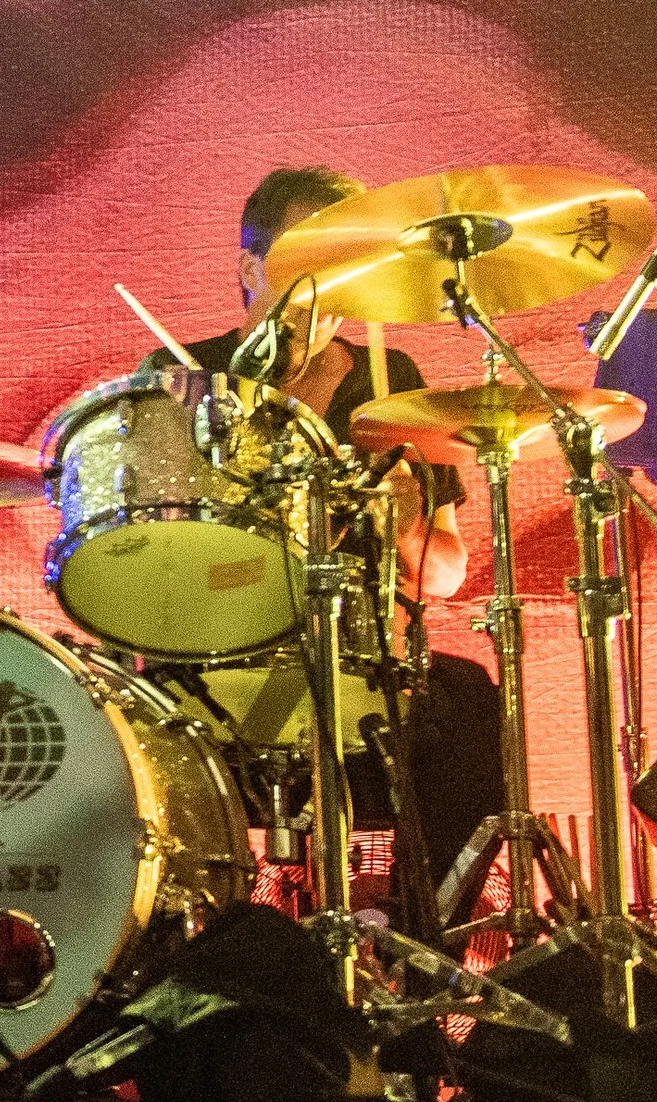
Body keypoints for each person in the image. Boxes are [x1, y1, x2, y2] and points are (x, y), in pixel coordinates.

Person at [157, 164, 504, 882]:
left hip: (360, 663)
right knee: (140, 730)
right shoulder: (182, 373)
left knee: (467, 702)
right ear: (251, 268)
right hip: (215, 665)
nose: (330, 280)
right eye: (308, 254)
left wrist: (409, 516)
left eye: (347, 258)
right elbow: (153, 567)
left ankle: (416, 948)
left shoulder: (388, 377)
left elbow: (443, 575)